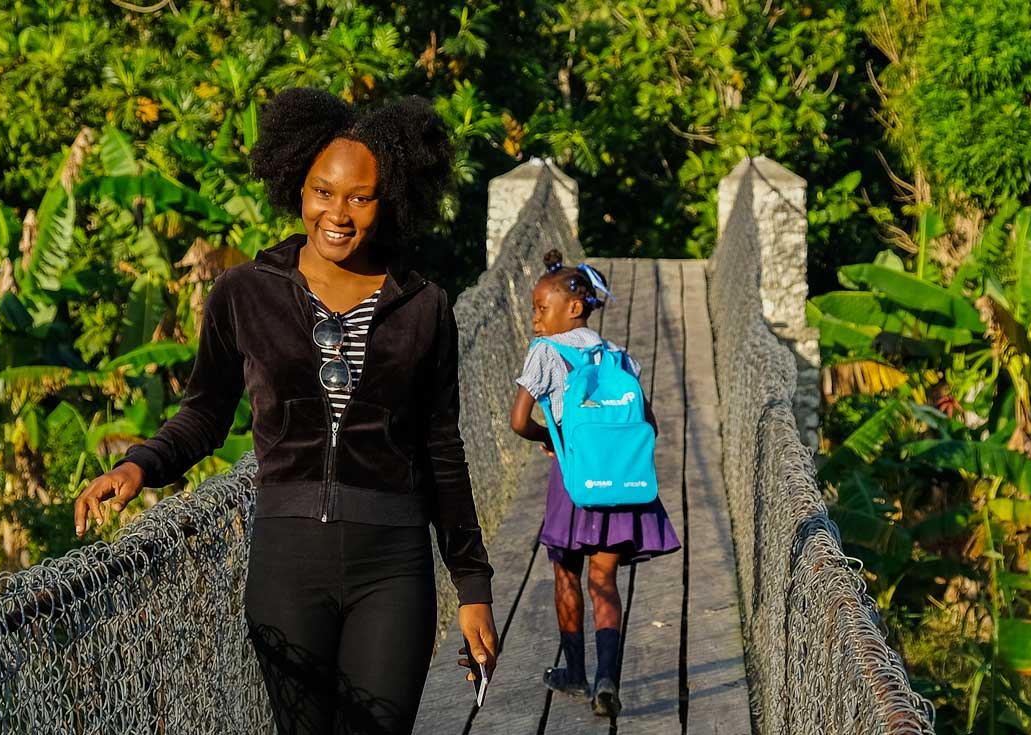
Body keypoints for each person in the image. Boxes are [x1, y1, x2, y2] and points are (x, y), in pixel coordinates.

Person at [74, 87, 497, 735]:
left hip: (394, 566)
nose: (338, 211)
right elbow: (204, 413)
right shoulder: (245, 292)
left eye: (361, 196)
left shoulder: (425, 306)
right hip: (287, 566)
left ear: (391, 202)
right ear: (297, 188)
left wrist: (472, 585)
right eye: (323, 190)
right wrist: (140, 466)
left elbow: (443, 446)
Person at [507, 250, 682, 717]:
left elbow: (518, 421)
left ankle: (576, 673)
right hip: (622, 486)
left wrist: (552, 438)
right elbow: (650, 425)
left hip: (574, 485)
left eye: (542, 308)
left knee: (567, 574)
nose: (536, 319)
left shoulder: (546, 352)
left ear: (574, 308)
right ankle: (608, 677)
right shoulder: (621, 358)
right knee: (604, 578)